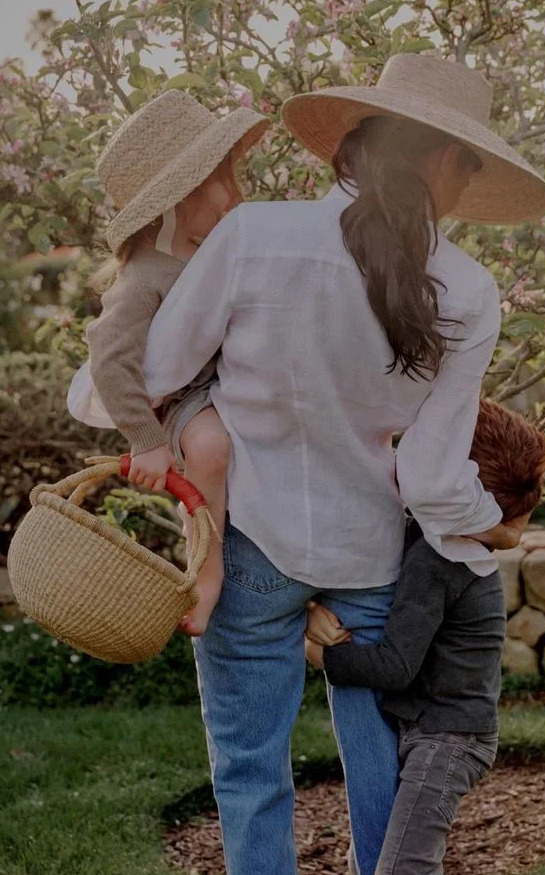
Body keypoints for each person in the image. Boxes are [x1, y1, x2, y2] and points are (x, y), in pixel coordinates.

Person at [133, 54, 545, 875]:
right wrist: (496, 525)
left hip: (249, 544)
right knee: (385, 770)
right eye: (471, 166)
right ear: (446, 158)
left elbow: (156, 374)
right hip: (371, 555)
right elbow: (430, 480)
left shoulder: (253, 236)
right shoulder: (467, 290)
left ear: (357, 141)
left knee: (250, 769)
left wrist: (203, 425)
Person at [305, 399, 545, 874]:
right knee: (378, 856)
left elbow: (395, 667)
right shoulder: (449, 541)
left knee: (403, 866)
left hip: (448, 740)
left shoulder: (438, 559)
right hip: (441, 731)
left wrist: (317, 655)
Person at [67, 90, 268, 635]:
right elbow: (111, 357)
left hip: (231, 382)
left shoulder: (215, 251)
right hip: (183, 398)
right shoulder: (145, 275)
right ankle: (205, 573)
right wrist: (146, 439)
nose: (235, 195)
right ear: (181, 195)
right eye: (222, 182)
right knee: (209, 449)